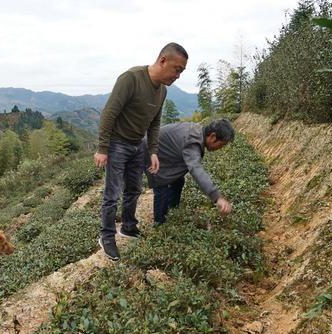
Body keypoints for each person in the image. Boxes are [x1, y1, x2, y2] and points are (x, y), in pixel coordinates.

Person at [94, 42, 188, 261]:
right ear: (163, 60)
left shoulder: (162, 91)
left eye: (181, 72)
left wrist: (153, 151)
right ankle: (106, 236)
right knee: (112, 193)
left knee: (134, 189)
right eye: (177, 69)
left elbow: (154, 123)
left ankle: (128, 226)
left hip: (139, 144)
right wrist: (102, 148)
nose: (178, 76)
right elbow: (109, 113)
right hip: (117, 143)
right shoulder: (131, 78)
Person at [145, 119, 235, 225]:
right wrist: (217, 197)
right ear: (212, 136)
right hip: (148, 151)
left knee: (178, 181)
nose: (220, 148)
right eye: (221, 144)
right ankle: (160, 225)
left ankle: (172, 214)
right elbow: (196, 169)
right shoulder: (193, 141)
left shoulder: (197, 131)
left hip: (161, 153)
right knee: (162, 187)